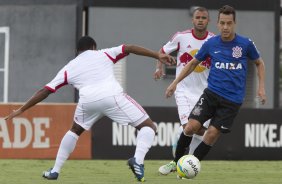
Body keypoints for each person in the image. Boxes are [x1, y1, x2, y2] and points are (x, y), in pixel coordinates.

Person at [4, 36, 176, 182]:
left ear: (78, 51)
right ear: (94, 47)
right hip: (112, 97)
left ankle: (55, 170)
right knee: (149, 127)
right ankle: (137, 160)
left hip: (87, 101)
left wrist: (22, 109)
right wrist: (157, 55)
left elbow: (45, 91)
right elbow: (129, 47)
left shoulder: (69, 67)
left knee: (75, 130)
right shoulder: (103, 53)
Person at [165, 5, 266, 164]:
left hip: (232, 101)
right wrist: (175, 83)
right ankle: (176, 163)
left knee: (210, 134)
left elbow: (259, 63)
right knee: (190, 127)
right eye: (222, 23)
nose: (225, 27)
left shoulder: (245, 44)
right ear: (217, 23)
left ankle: (190, 165)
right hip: (211, 94)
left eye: (229, 23)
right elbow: (192, 64)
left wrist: (261, 88)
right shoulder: (211, 43)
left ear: (234, 23)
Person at [155, 7, 214, 175]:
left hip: (206, 93)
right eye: (198, 17)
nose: (201, 20)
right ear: (193, 20)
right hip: (183, 90)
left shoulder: (213, 40)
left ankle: (185, 163)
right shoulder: (181, 37)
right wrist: (159, 67)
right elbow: (162, 51)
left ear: (208, 21)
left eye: (204, 17)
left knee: (201, 131)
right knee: (189, 126)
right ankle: (179, 162)